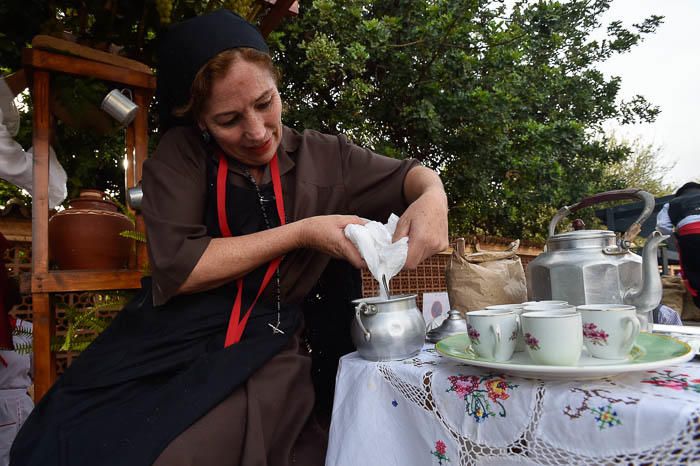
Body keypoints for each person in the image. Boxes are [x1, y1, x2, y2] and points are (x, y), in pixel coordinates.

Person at [9, 10, 448, 466]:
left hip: (268, 340)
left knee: (187, 453)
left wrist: (433, 196)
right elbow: (182, 267)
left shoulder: (325, 156)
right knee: (79, 440)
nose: (257, 132)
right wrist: (301, 232)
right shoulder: (180, 159)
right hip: (169, 342)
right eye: (229, 119)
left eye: (265, 103)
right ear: (198, 119)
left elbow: (410, 177)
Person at [656, 180, 700, 307]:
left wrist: (674, 240)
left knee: (694, 271)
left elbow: (662, 226)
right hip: (690, 234)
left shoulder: (672, 203)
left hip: (690, 238)